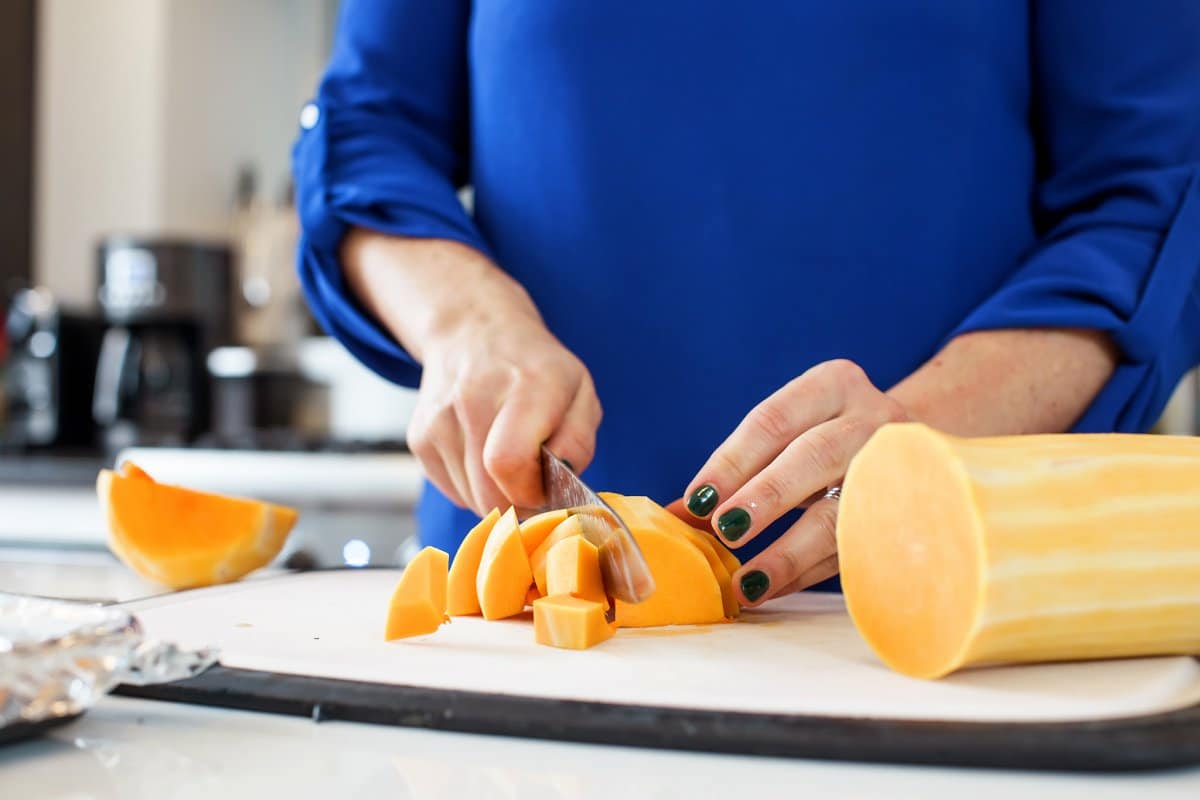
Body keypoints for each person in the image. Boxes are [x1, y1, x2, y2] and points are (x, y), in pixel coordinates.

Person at [294, 1, 1200, 606]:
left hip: (951, 587)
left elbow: (1155, 189)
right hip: (526, 604)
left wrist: (923, 429)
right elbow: (367, 130)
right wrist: (467, 322)